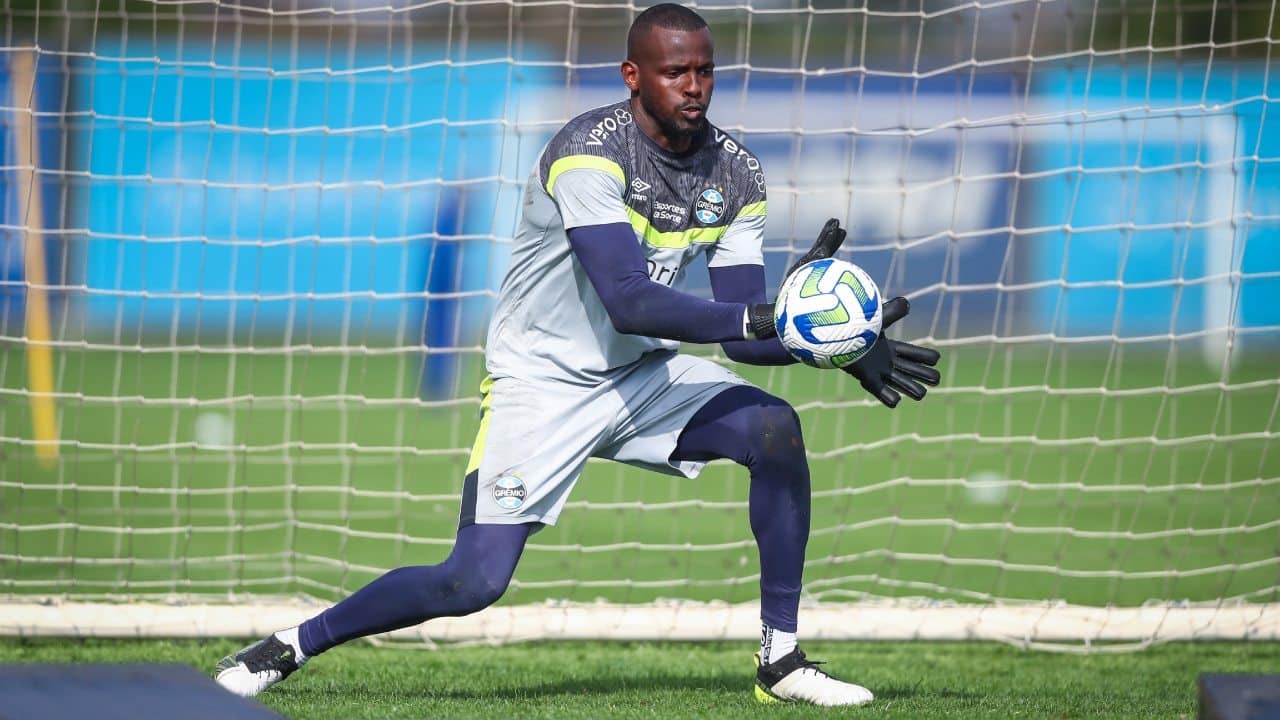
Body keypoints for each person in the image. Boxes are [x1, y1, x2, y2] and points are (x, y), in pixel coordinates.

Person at [214, 3, 940, 707]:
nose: (694, 86)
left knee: (774, 429)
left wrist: (835, 345)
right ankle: (288, 646)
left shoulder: (738, 175)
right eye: (675, 72)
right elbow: (629, 298)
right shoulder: (589, 152)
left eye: (706, 71)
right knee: (471, 583)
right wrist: (768, 315)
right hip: (542, 381)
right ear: (632, 75)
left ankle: (780, 660)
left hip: (643, 373)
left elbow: (736, 337)